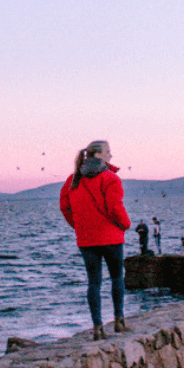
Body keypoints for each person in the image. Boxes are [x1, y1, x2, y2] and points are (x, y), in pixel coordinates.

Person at [60, 140, 132, 340]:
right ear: (99, 155)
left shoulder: (72, 180)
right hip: (111, 237)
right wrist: (126, 224)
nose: (111, 155)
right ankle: (119, 320)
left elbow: (65, 207)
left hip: (87, 239)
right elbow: (114, 207)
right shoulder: (110, 178)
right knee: (117, 277)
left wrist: (79, 226)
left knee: (94, 282)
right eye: (108, 152)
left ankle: (97, 327)